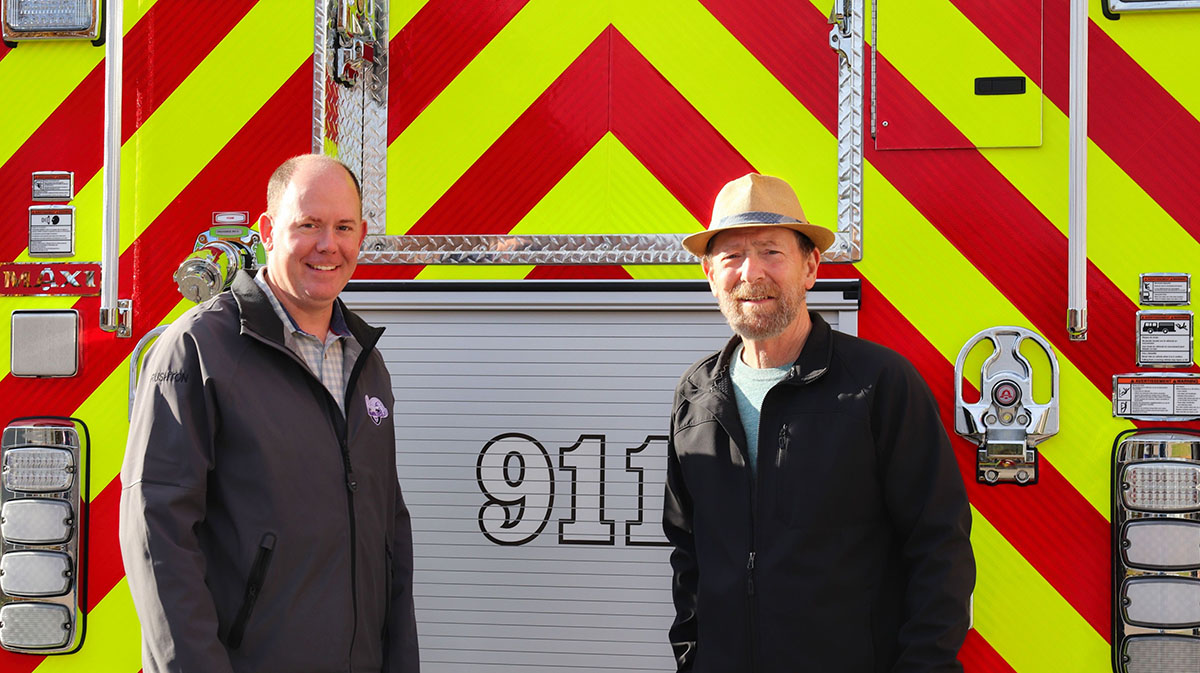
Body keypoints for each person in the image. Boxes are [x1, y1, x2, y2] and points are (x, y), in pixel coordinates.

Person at [663, 173, 974, 672]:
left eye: (771, 252)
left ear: (810, 267)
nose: (750, 272)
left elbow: (940, 546)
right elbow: (687, 550)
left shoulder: (879, 384)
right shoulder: (696, 396)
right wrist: (692, 657)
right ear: (709, 272)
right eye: (732, 255)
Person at [120, 154, 419, 672]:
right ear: (267, 231)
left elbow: (390, 534)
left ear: (362, 236)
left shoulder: (365, 363)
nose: (328, 245)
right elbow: (157, 532)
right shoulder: (199, 348)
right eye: (308, 225)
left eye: (343, 227)